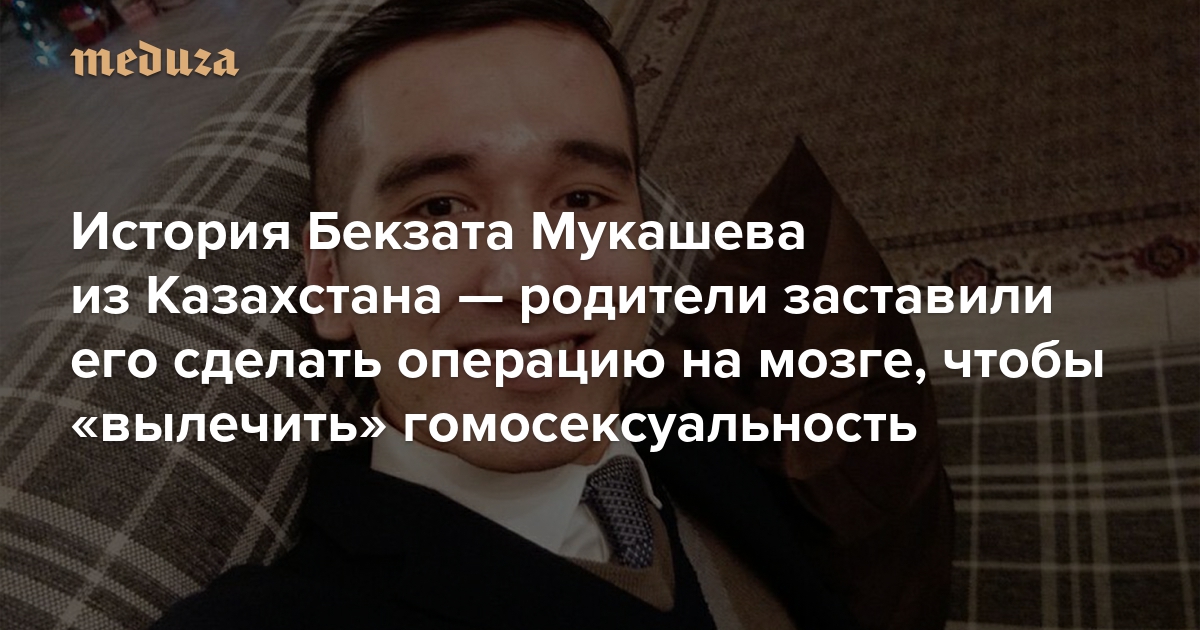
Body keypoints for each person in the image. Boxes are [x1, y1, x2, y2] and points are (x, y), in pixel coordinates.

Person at [154, 1, 950, 628]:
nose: (530, 279)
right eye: (438, 209)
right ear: (331, 283)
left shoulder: (716, 425)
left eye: (582, 199)